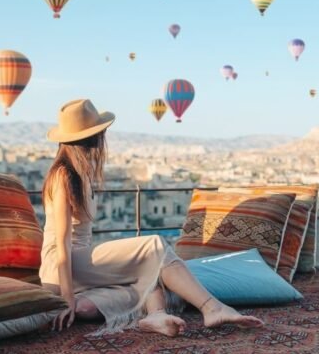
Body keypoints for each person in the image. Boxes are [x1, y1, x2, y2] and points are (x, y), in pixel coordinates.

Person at [40, 99, 264, 337]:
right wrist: (66, 299)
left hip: (82, 266)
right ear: (90, 136)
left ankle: (155, 315)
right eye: (100, 131)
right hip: (63, 267)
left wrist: (75, 303)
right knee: (154, 245)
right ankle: (212, 307)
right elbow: (62, 245)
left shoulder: (80, 173)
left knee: (107, 296)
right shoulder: (63, 176)